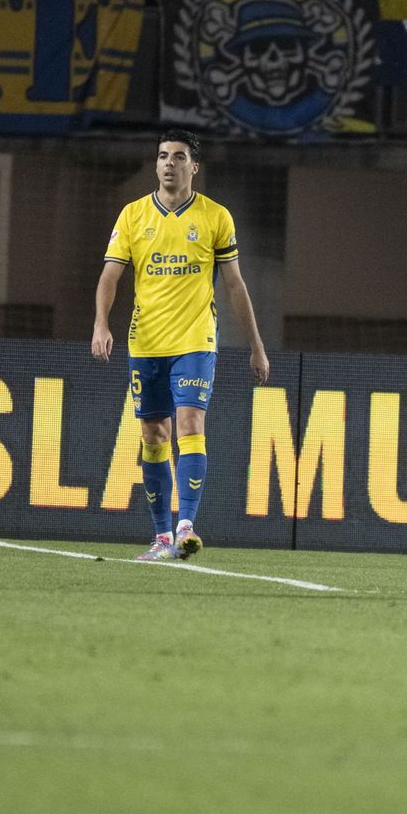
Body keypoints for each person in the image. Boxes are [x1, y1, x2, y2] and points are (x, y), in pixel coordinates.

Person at [92, 129, 271, 562]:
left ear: (194, 167)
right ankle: (161, 537)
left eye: (178, 157)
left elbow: (234, 285)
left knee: (190, 423)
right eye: (162, 156)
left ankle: (187, 524)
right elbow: (111, 277)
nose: (168, 163)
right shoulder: (132, 216)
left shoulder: (215, 217)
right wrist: (100, 324)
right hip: (146, 342)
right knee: (154, 434)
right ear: (156, 164)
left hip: (195, 340)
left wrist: (256, 345)